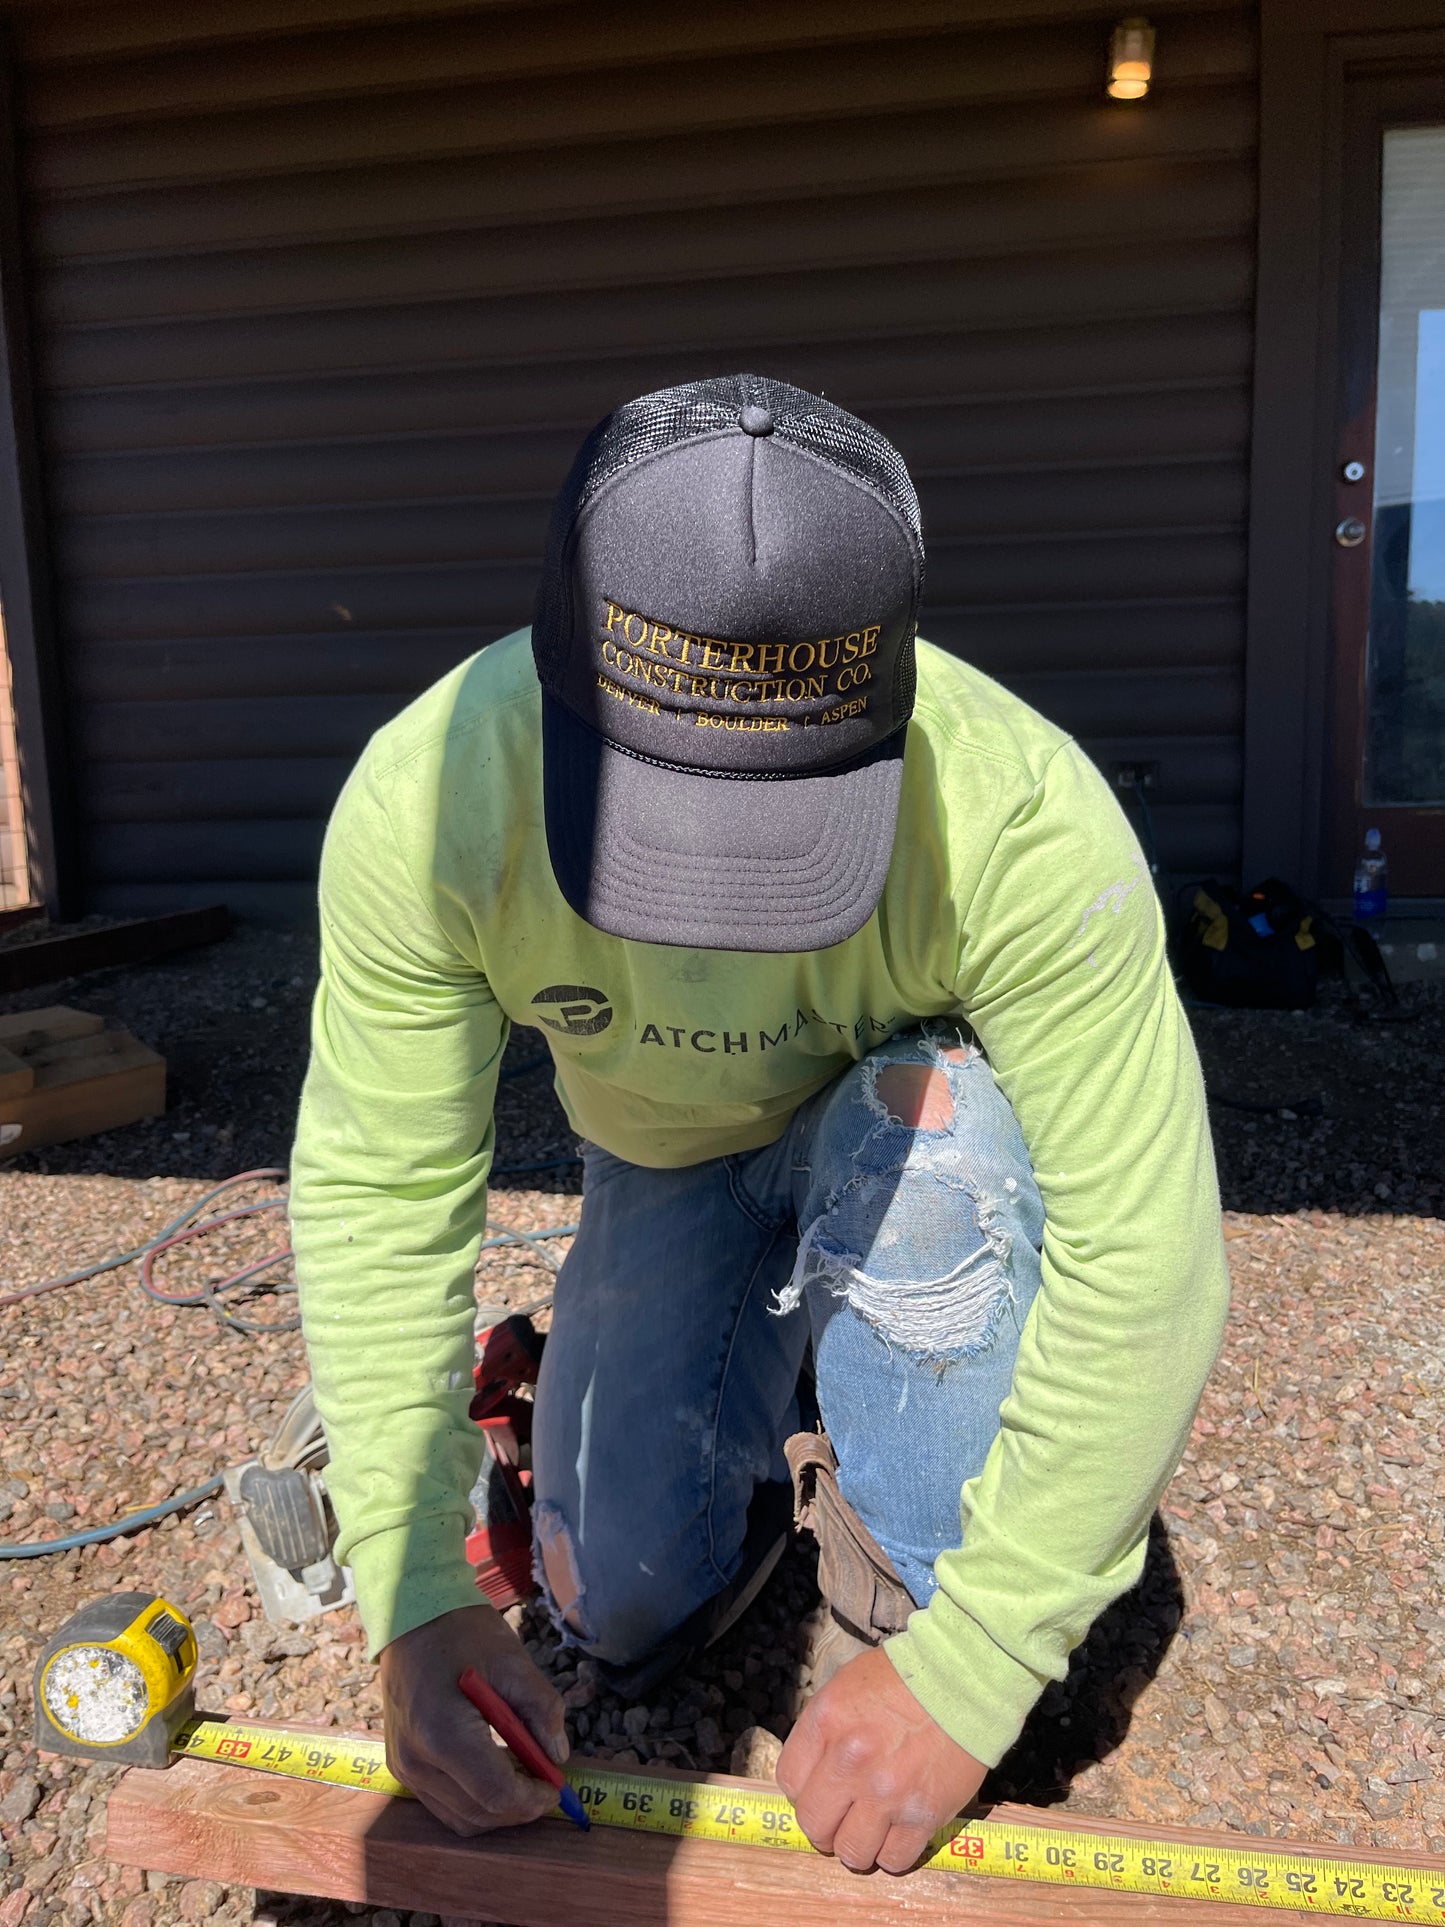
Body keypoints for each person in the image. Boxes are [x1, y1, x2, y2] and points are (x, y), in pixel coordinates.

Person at [290, 374, 1228, 1876]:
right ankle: (749, 1385)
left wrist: (976, 1667)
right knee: (614, 1614)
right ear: (552, 666)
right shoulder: (431, 804)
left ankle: (898, 1591)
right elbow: (382, 1192)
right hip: (661, 1158)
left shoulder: (1020, 818)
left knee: (935, 1143)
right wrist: (408, 1587)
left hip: (891, 1139)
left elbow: (1150, 1253)